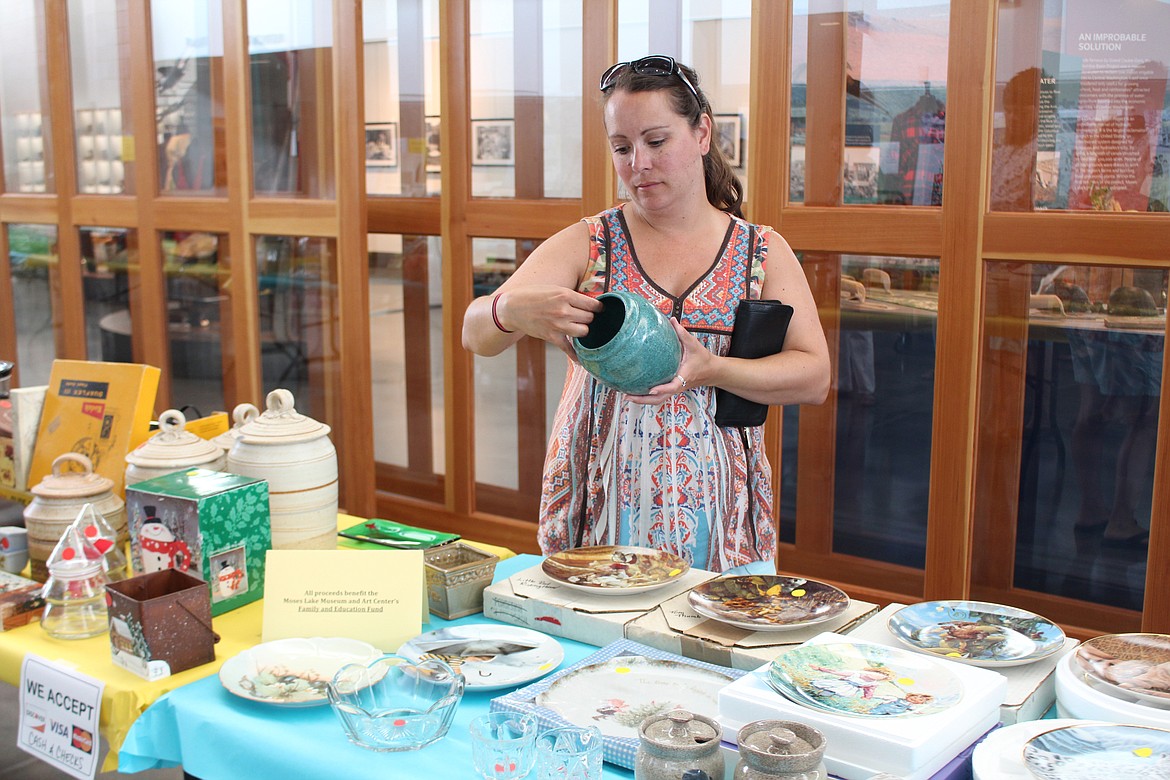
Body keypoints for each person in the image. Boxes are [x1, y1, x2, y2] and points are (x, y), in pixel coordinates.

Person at [462, 56, 830, 574]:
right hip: (601, 510)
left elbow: (814, 377)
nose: (638, 163)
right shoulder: (590, 242)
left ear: (702, 132)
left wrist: (714, 369)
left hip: (721, 517)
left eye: (656, 142)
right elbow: (475, 333)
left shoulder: (761, 251)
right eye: (622, 147)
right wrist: (509, 309)